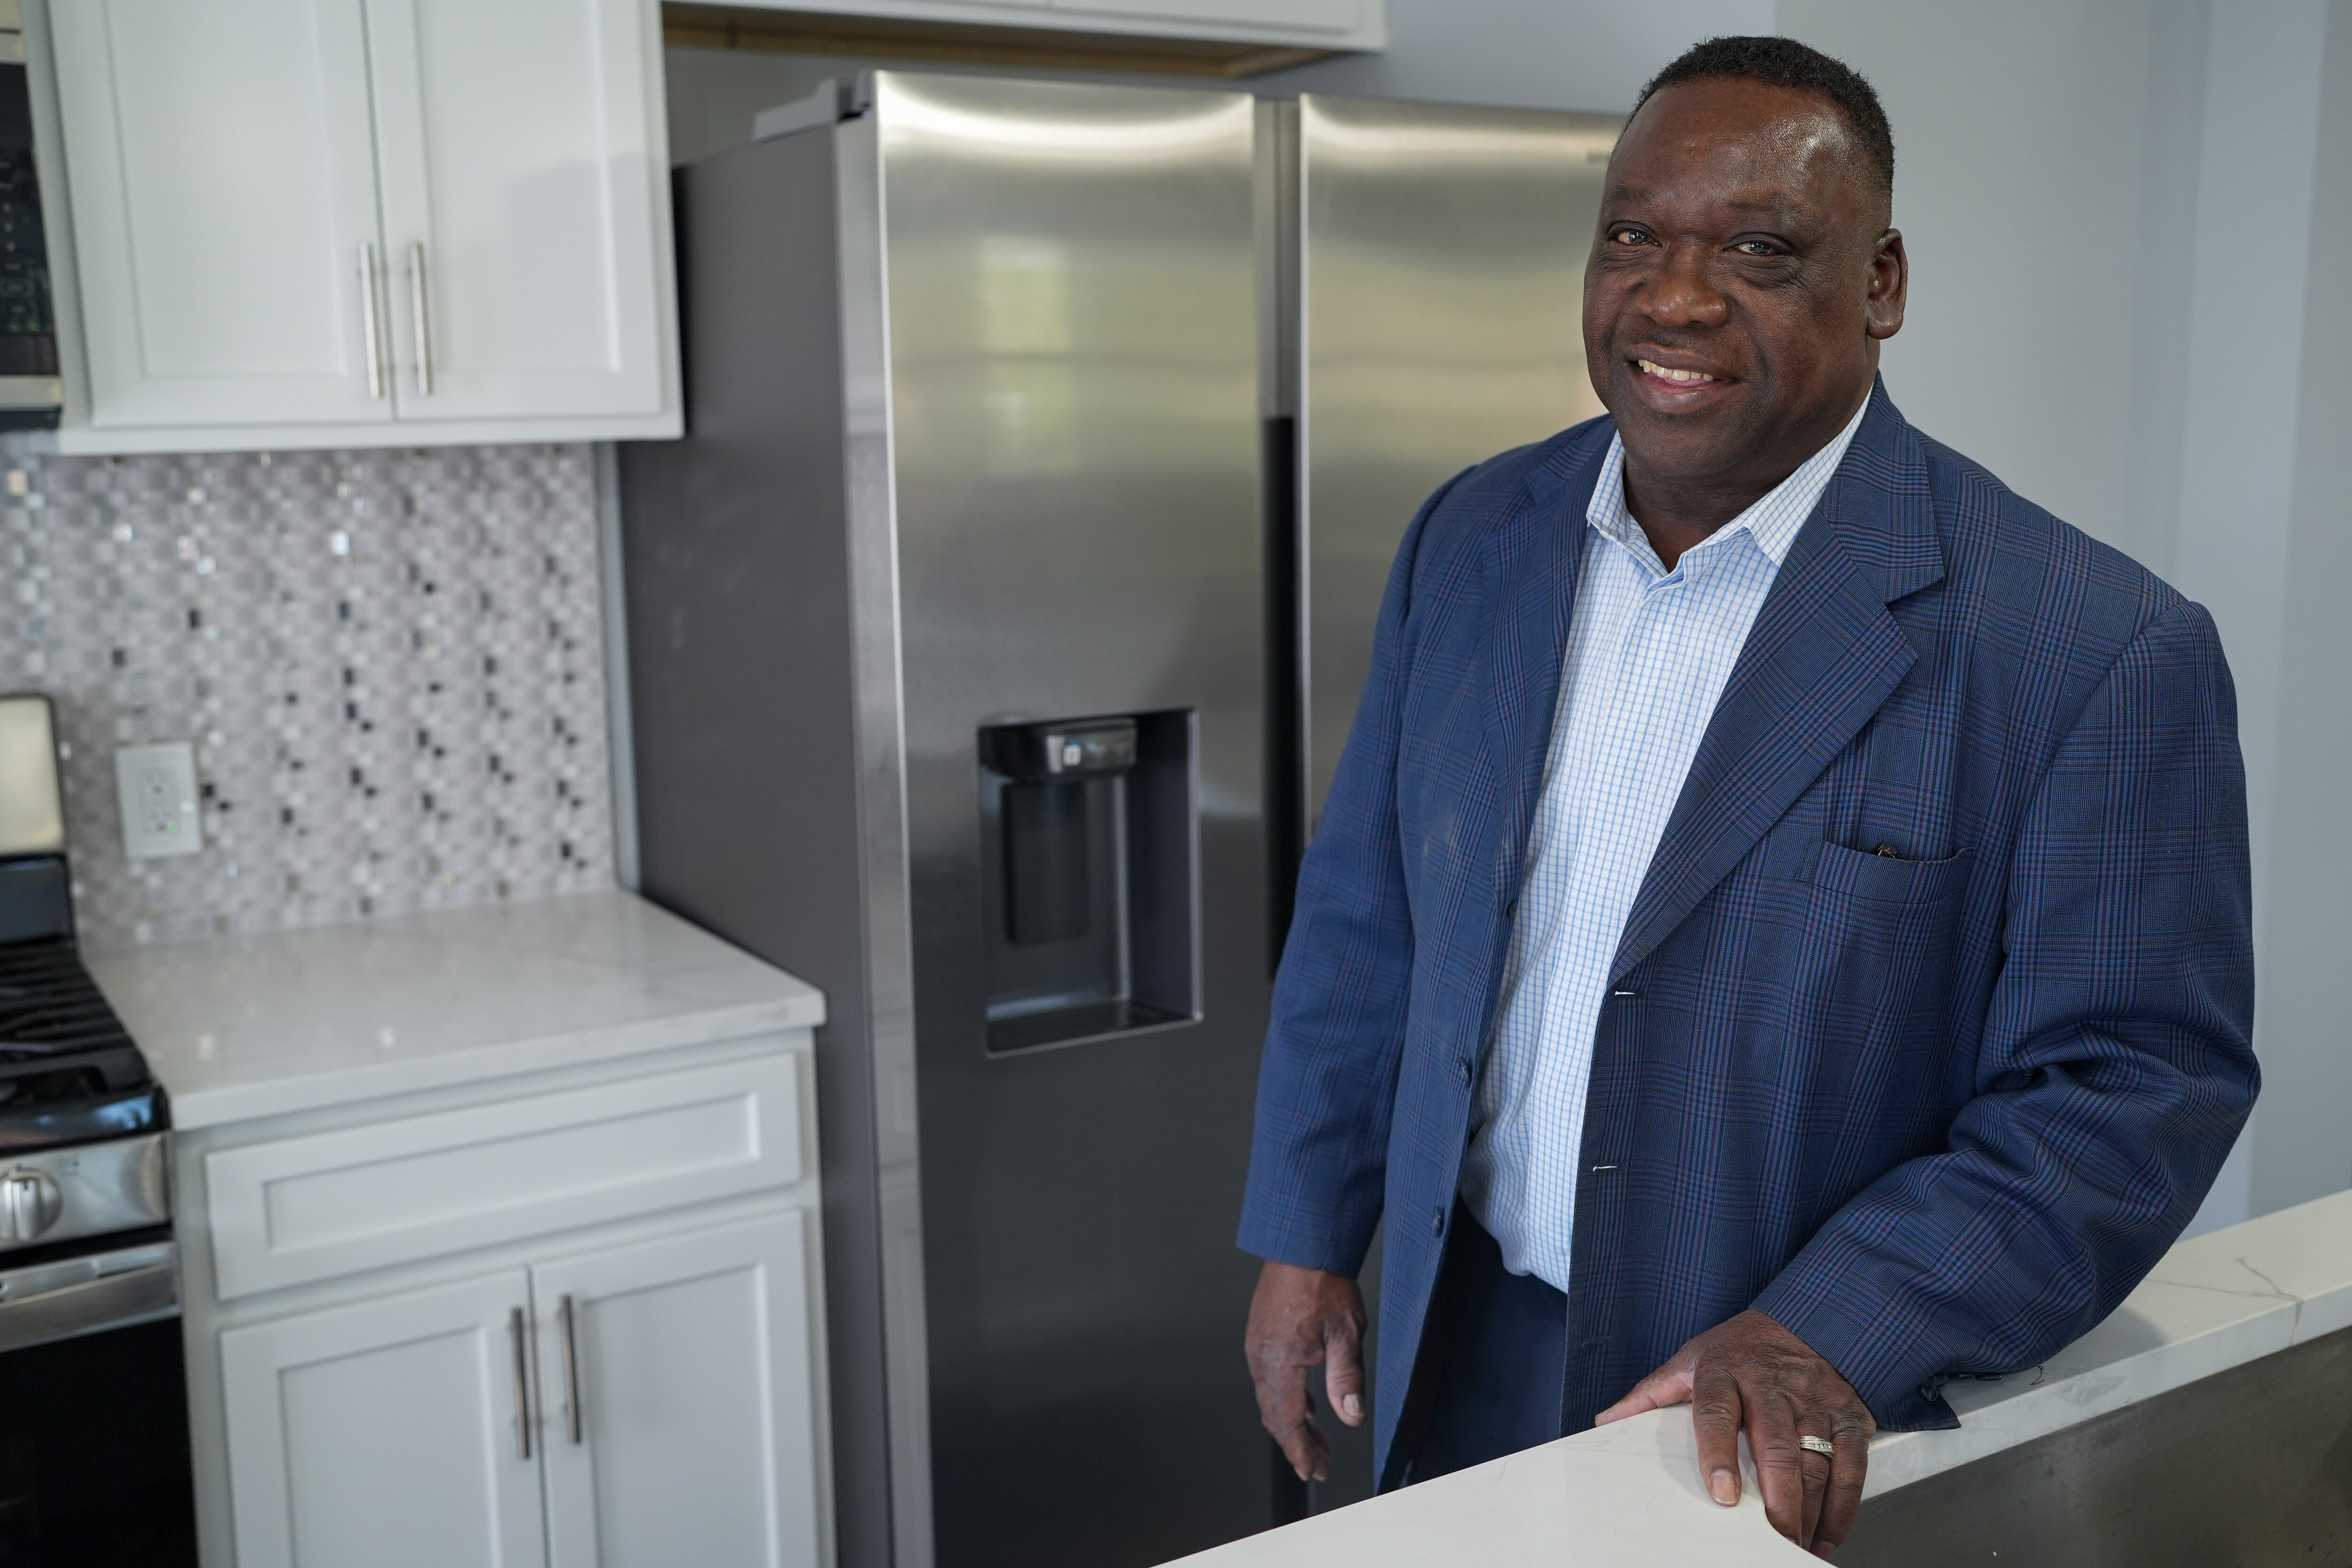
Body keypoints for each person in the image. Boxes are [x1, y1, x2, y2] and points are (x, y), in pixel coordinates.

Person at [1238, 34, 2257, 1559]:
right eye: (1633, 236)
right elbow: (1369, 907)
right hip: (1458, 1341)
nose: (1676, 296)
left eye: (1761, 250)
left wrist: (1829, 1324)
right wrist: (1307, 1235)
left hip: (1760, 1412)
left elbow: (2131, 1089)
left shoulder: (2089, 647)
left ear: (1884, 284)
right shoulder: (1475, 536)